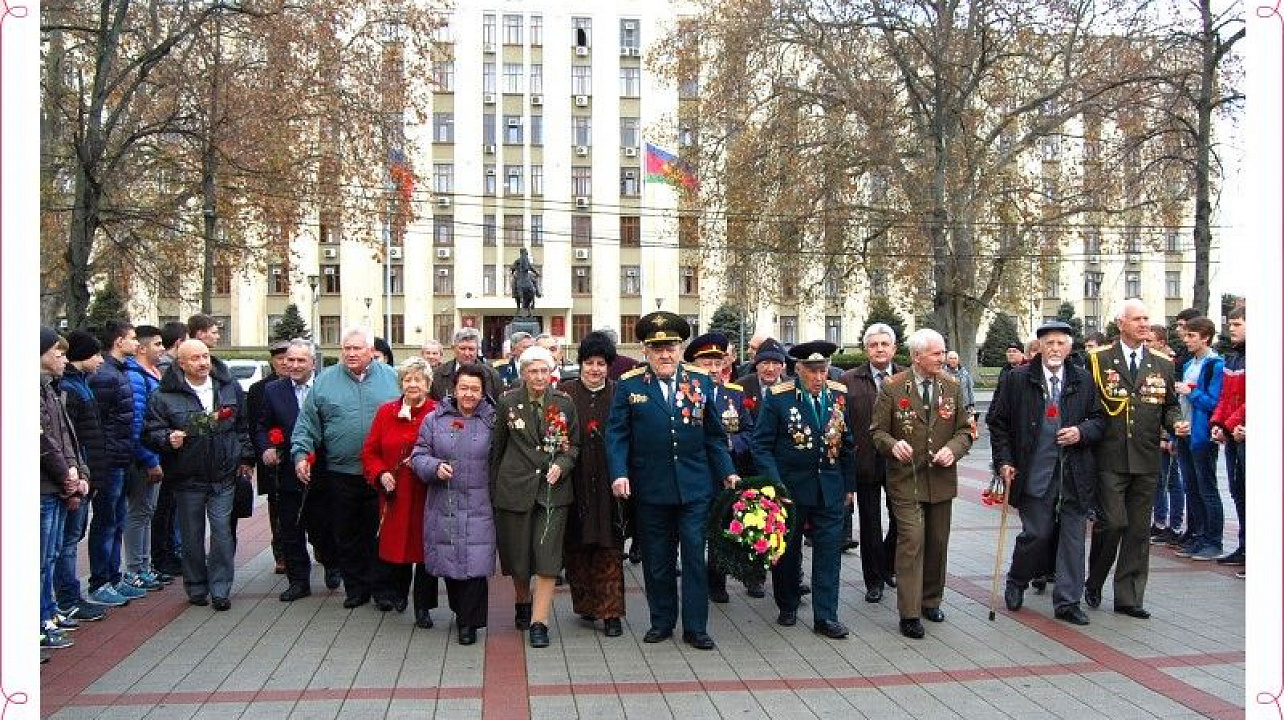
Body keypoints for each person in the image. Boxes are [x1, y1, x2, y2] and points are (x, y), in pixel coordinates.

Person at [606, 312, 739, 651]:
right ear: (645, 351)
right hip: (651, 488)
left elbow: (713, 435)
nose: (665, 355)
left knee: (694, 556)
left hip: (694, 488)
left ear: (681, 349)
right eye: (657, 349)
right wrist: (619, 472)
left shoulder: (700, 381)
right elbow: (617, 434)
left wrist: (727, 470)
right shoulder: (630, 385)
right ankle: (662, 620)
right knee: (657, 559)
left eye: (671, 348)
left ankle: (695, 627)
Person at [989, 321, 1106, 626]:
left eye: (1061, 344)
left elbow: (1099, 419)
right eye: (1049, 343)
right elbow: (997, 422)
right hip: (1034, 469)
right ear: (1039, 346)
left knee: (1073, 537)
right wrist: (1004, 460)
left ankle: (1068, 601)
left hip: (1073, 471)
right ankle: (1017, 579)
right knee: (1037, 533)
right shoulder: (1018, 379)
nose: (1055, 349)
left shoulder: (1082, 379)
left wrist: (1081, 432)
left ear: (1070, 348)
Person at [870, 328, 973, 639]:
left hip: (941, 479)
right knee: (912, 541)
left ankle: (931, 600)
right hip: (906, 479)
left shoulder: (952, 387)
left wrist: (952, 450)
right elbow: (877, 432)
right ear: (917, 357)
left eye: (943, 353)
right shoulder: (893, 387)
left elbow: (966, 431)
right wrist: (892, 446)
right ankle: (910, 612)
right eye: (936, 354)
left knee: (937, 542)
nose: (942, 358)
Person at [751, 340, 855, 638]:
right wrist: (775, 484)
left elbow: (847, 443)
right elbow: (761, 446)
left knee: (829, 552)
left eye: (823, 370)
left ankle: (826, 616)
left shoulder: (837, 396)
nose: (819, 377)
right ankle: (787, 603)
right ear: (798, 370)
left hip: (830, 488)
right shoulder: (779, 398)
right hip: (791, 489)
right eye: (812, 371)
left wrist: (849, 485)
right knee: (787, 550)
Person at [292, 327, 401, 610]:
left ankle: (383, 590)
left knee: (380, 534)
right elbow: (307, 424)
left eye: (358, 349)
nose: (351, 354)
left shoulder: (392, 379)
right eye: (347, 349)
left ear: (371, 351)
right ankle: (356, 588)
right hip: (341, 473)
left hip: (382, 473)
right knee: (348, 533)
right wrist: (301, 454)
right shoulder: (325, 382)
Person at [1085, 298, 1180, 619]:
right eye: (1137, 319)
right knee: (1112, 524)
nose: (1144, 324)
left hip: (1146, 456)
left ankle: (1129, 597)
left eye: (1147, 319)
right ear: (1120, 323)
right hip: (1110, 456)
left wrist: (1175, 422)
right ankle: (1094, 579)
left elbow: (1168, 405)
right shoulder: (1098, 360)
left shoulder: (1162, 363)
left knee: (1138, 531)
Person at [142, 339, 253, 611]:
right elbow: (150, 432)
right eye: (195, 358)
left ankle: (220, 588)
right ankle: (195, 586)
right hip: (186, 476)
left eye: (206, 356)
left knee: (222, 533)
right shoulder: (164, 395)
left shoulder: (228, 387)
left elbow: (242, 425)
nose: (203, 363)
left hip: (223, 475)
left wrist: (246, 457)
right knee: (192, 536)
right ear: (181, 364)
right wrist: (168, 439)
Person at [489, 346, 578, 648]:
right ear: (523, 373)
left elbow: (573, 446)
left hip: (553, 493)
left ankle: (539, 621)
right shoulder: (507, 402)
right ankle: (522, 600)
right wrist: (492, 491)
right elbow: (497, 449)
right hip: (514, 488)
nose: (539, 377)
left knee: (547, 557)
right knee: (518, 557)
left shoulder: (564, 403)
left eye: (544, 370)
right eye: (533, 371)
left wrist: (562, 465)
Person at [411, 363, 498, 645]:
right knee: (451, 560)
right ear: (454, 389)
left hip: (480, 502)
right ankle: (460, 612)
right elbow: (418, 455)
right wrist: (434, 467)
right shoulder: (434, 419)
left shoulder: (493, 421)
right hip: (444, 502)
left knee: (476, 561)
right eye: (464, 388)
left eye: (475, 389)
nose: (469, 394)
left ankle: (469, 624)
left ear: (483, 392)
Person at [256, 340, 341, 601]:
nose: (293, 365)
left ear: (313, 363)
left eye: (300, 361)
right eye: (289, 360)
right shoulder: (272, 391)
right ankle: (298, 581)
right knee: (291, 528)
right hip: (289, 471)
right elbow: (262, 425)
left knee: (323, 525)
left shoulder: (328, 387)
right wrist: (267, 447)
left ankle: (332, 564)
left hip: (323, 468)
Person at [683, 332, 762, 602]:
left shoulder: (734, 395)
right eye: (707, 363)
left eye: (718, 363)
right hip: (694, 471)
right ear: (694, 365)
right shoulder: (684, 393)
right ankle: (693, 576)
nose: (714, 369)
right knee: (694, 531)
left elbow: (749, 432)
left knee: (721, 526)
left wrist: (732, 442)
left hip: (724, 472)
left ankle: (717, 582)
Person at [559, 332, 628, 636]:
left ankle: (611, 613)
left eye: (601, 363)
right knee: (577, 543)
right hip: (574, 478)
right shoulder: (565, 394)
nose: (595, 369)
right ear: (581, 363)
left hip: (610, 479)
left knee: (609, 544)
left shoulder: (619, 393)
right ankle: (586, 605)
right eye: (589, 363)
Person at [361, 357, 439, 624]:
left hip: (428, 493)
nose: (413, 384)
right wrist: (381, 473)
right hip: (397, 493)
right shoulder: (386, 412)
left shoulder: (437, 412)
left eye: (418, 379)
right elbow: (370, 452)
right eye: (408, 379)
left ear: (428, 384)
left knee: (426, 552)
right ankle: (398, 593)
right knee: (399, 548)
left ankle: (423, 608)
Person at [840, 323, 903, 603]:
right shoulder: (849, 380)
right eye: (874, 345)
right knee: (870, 524)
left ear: (894, 349)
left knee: (903, 520)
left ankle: (888, 562)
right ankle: (873, 580)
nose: (879, 349)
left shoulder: (906, 377)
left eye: (884, 344)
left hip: (899, 462)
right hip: (863, 461)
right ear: (866, 349)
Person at [54, 331, 112, 621]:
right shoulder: (69, 389)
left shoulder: (82, 385)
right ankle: (66, 598)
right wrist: (77, 473)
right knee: (65, 542)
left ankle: (69, 596)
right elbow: (67, 440)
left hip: (86, 471)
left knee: (70, 539)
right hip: (74, 475)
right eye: (95, 354)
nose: (101, 360)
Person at [87, 319, 145, 606]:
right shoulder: (106, 376)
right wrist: (107, 456)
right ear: (119, 341)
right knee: (107, 521)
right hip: (110, 460)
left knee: (117, 519)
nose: (137, 343)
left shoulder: (119, 372)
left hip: (122, 457)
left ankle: (113, 577)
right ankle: (101, 581)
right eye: (133, 338)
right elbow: (99, 423)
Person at [41, 329, 87, 650]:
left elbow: (67, 437)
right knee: (41, 559)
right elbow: (42, 440)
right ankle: (41, 618)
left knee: (52, 553)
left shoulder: (52, 390)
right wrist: (66, 475)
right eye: (59, 352)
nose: (64, 359)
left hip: (58, 483)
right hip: (46, 486)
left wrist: (76, 469)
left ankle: (47, 612)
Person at [121, 324, 169, 592]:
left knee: (147, 511)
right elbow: (138, 424)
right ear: (142, 347)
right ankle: (135, 569)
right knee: (139, 512)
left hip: (153, 453)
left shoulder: (151, 374)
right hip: (142, 458)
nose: (162, 349)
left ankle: (144, 566)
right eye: (157, 344)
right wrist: (150, 459)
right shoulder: (136, 377)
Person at [1172, 316, 1224, 561]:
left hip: (1202, 434)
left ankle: (1213, 540)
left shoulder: (1215, 364)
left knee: (1207, 488)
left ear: (1206, 337)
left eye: (1192, 336)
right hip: (1184, 431)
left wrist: (1191, 392)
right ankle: (1197, 535)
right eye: (1186, 335)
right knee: (1191, 487)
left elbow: (1214, 402)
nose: (1187, 339)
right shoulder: (1189, 363)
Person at [247, 340, 291, 574]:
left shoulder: (304, 383)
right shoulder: (260, 389)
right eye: (280, 358)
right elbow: (255, 425)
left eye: (289, 357)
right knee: (277, 505)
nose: (285, 362)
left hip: (300, 455)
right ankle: (281, 551)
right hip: (272, 456)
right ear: (272, 361)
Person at [1210, 305, 1245, 572]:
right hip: (1234, 434)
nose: (1230, 329)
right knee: (1237, 490)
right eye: (1230, 324)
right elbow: (1224, 397)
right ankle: (1244, 545)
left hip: (1243, 431)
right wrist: (1219, 424)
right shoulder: (1232, 358)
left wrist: (1232, 423)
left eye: (1237, 324)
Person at [431, 327, 501, 401]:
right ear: (454, 348)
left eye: (471, 349)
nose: (467, 354)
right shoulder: (438, 374)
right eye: (462, 349)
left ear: (478, 349)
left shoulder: (492, 376)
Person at [735, 337, 790, 408]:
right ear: (756, 365)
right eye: (765, 363)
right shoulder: (741, 387)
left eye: (775, 363)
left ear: (783, 367)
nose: (770, 369)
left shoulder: (793, 387)